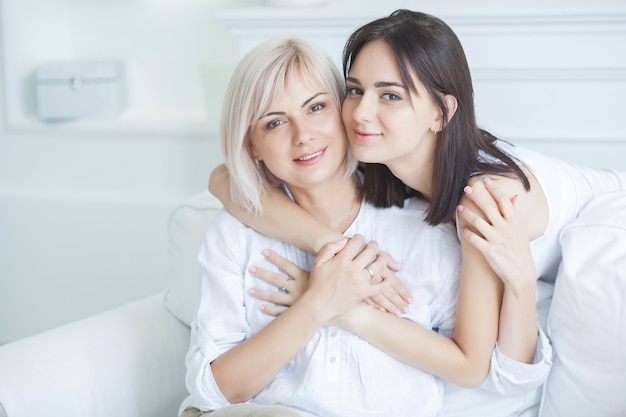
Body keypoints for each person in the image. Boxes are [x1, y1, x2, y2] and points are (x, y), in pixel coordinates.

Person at [209, 8, 573, 390]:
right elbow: (223, 179)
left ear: (441, 112)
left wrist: (335, 304)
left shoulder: (485, 198)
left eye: (391, 95)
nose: (362, 113)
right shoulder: (380, 160)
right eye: (355, 91)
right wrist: (334, 247)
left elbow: (483, 368)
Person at [180, 37, 465, 417]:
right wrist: (317, 304)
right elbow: (212, 393)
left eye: (316, 107)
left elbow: (476, 368)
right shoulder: (234, 236)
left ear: (345, 111)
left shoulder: (423, 228)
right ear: (251, 145)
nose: (303, 136)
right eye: (275, 122)